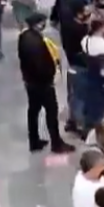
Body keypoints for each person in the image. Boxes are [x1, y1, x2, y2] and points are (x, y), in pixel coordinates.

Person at [17, 12, 73, 154]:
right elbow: (41, 65)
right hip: (43, 84)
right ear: (39, 23)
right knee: (51, 112)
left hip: (30, 82)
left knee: (33, 110)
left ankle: (34, 140)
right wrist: (51, 76)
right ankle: (56, 143)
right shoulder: (37, 42)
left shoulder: (23, 37)